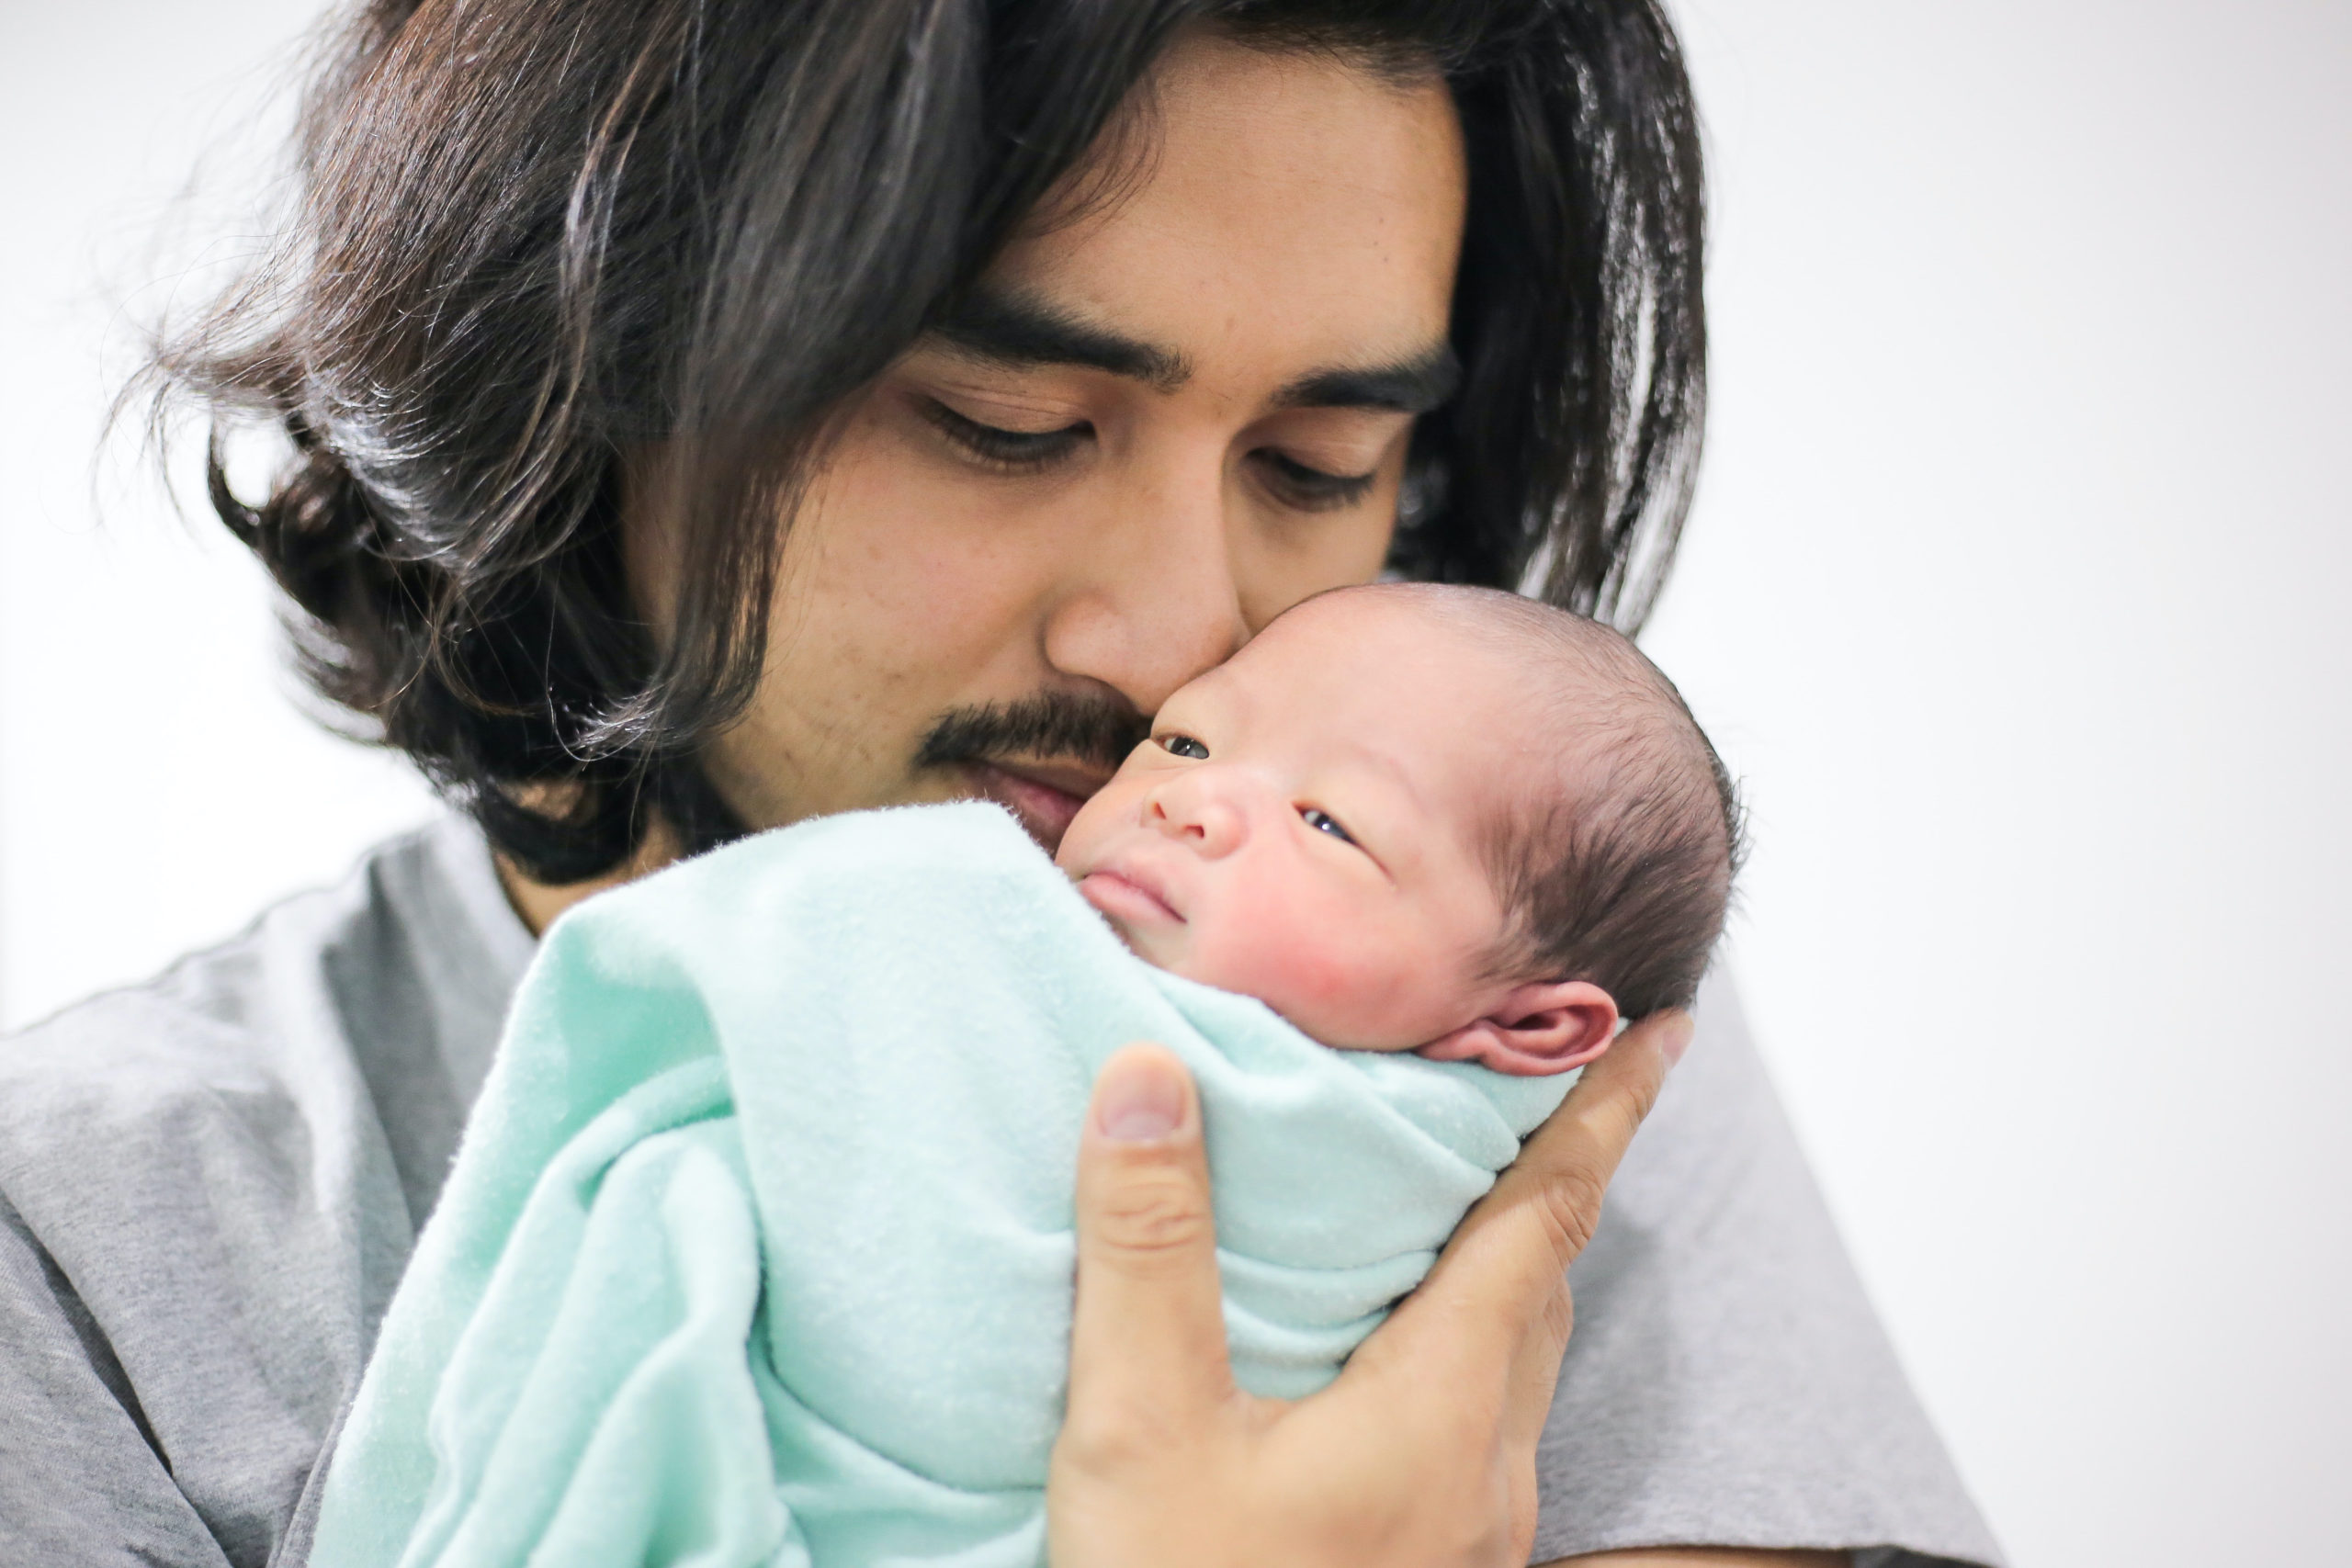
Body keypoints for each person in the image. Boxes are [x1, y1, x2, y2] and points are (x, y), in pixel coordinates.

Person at [0, 3, 2003, 1565]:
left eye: (1315, 464)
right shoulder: (99, 1247)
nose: (1175, 643)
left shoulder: (1451, 977)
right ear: (575, 378)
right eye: (1008, 422)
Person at [315, 581, 1745, 1568]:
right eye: (1185, 738)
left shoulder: (1552, 1162)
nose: (1185, 792)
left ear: (1535, 1035)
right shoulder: (952, 927)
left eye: (1326, 819)